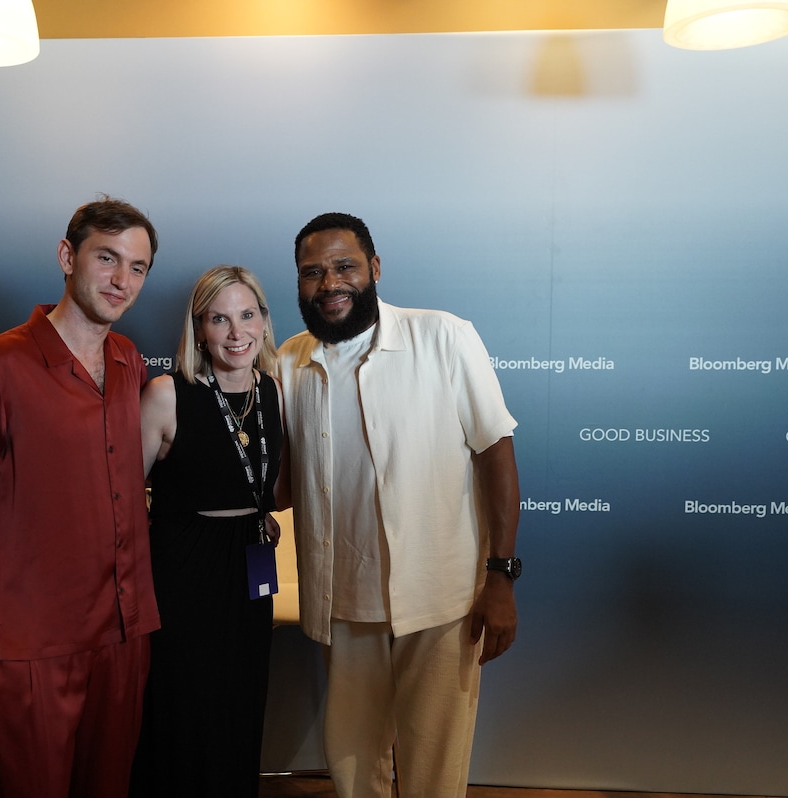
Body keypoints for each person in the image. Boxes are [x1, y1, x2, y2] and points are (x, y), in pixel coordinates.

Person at [275, 212, 521, 798]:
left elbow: (496, 453)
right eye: (312, 272)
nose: (329, 283)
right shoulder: (286, 360)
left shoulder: (443, 336)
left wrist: (501, 577)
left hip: (442, 597)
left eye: (344, 266)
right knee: (353, 764)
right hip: (342, 599)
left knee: (436, 763)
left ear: (375, 268)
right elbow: (279, 484)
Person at [0, 197, 161, 798]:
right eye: (107, 258)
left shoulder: (128, 359)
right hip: (35, 641)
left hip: (125, 630)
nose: (121, 279)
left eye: (137, 267)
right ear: (66, 256)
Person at [129, 266, 284, 798]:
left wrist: (259, 513)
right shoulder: (167, 393)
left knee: (242, 697)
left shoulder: (273, 391)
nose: (236, 332)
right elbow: (122, 498)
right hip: (183, 569)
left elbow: (264, 482)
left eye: (247, 315)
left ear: (264, 322)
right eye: (220, 319)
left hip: (251, 563)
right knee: (186, 704)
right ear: (199, 330)